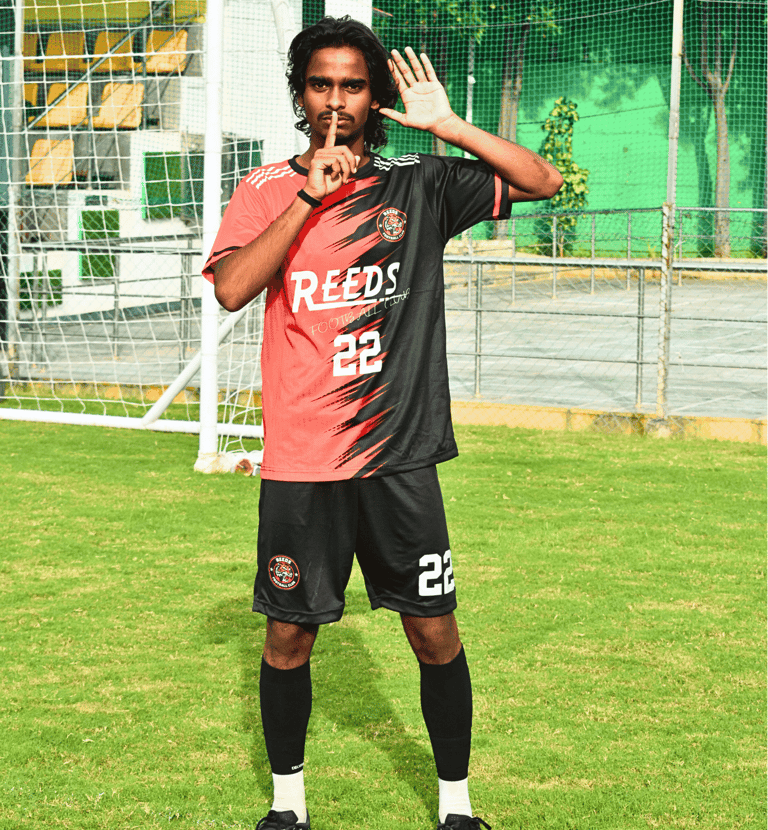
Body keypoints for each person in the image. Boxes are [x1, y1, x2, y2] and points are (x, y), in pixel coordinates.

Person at [203, 16, 562, 830]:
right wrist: (309, 196)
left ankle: (456, 808)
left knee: (434, 634)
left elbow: (541, 183)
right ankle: (287, 807)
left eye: (354, 84)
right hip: (303, 462)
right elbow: (230, 289)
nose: (337, 100)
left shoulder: (419, 182)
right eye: (321, 84)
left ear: (377, 96)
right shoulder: (265, 188)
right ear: (300, 94)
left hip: (399, 459)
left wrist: (451, 126)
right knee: (289, 641)